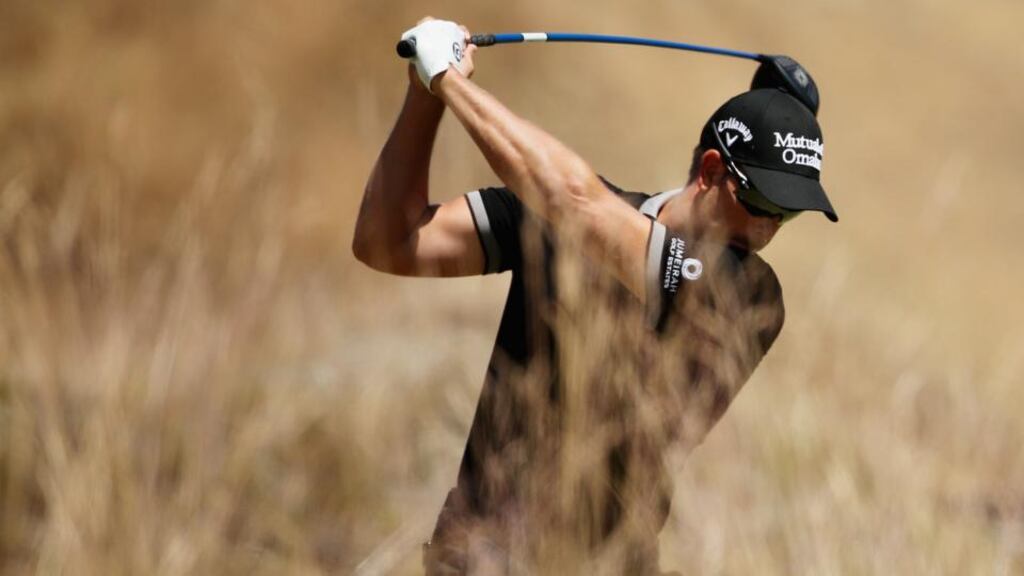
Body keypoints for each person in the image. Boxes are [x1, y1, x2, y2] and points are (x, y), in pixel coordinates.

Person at [353, 18, 838, 575]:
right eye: (763, 203)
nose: (769, 227)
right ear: (710, 170)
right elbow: (385, 241)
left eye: (790, 212)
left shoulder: (750, 296)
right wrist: (423, 93)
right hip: (476, 557)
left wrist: (451, 84)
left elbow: (578, 204)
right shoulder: (557, 217)